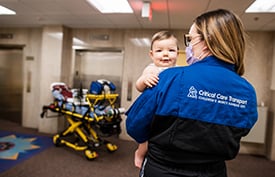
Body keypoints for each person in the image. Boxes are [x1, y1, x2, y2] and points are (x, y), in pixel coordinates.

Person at [126, 9, 258, 177]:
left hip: (163, 169)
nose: (188, 46)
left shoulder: (170, 78)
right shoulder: (247, 92)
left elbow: (134, 125)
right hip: (214, 172)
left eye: (190, 39)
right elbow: (241, 129)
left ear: (206, 41)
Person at [134, 30, 179, 169]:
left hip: (167, 110)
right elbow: (139, 87)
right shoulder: (152, 69)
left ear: (177, 52)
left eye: (171, 50)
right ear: (152, 55)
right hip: (151, 111)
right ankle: (139, 154)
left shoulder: (178, 70)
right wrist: (144, 80)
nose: (165, 54)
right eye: (159, 50)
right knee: (146, 139)